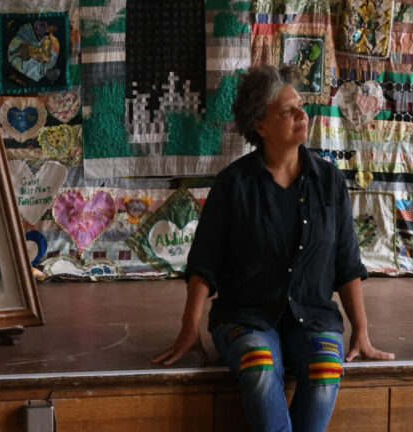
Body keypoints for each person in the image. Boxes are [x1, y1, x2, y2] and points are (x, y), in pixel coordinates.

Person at [152, 65, 394, 432]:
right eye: (287, 111)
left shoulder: (329, 182)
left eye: (300, 106)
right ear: (260, 126)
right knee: (260, 367)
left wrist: (361, 330)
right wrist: (190, 328)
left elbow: (347, 263)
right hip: (246, 315)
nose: (302, 115)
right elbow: (203, 266)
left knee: (327, 371)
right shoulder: (234, 185)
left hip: (312, 316)